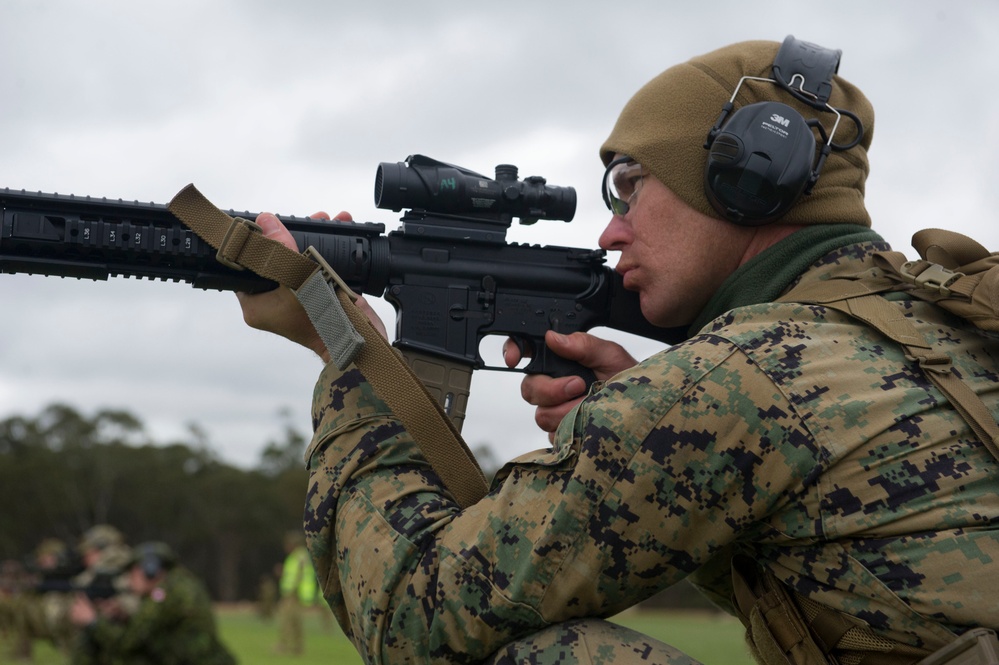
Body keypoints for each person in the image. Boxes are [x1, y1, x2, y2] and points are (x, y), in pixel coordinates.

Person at [237, 38, 999, 664]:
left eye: (630, 184)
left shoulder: (739, 377)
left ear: (741, 179)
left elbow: (415, 616)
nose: (610, 230)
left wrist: (348, 355)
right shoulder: (938, 318)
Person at [70, 541, 235, 665]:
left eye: (133, 571)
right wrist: (125, 616)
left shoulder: (163, 593)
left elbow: (129, 641)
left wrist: (92, 622)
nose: (130, 579)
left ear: (151, 569)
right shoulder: (180, 583)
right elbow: (155, 629)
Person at [275, 530, 317, 655]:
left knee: (287, 619)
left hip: (293, 594)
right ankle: (297, 647)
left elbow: (299, 575)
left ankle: (284, 645)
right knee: (295, 621)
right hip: (295, 593)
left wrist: (292, 590)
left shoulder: (299, 557)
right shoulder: (298, 556)